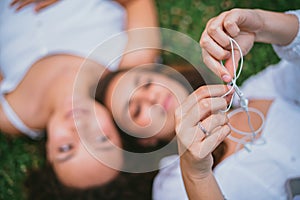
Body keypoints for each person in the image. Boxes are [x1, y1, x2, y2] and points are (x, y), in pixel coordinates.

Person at [96, 8, 300, 199]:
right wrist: (196, 175)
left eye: (147, 84)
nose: (151, 98)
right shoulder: (173, 186)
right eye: (136, 109)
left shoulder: (259, 91)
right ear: (144, 141)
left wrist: (263, 24)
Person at [0, 0, 159, 189]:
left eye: (66, 148)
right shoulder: (131, 66)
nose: (79, 129)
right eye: (101, 139)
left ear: (49, 154)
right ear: (121, 136)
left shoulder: (10, 114)